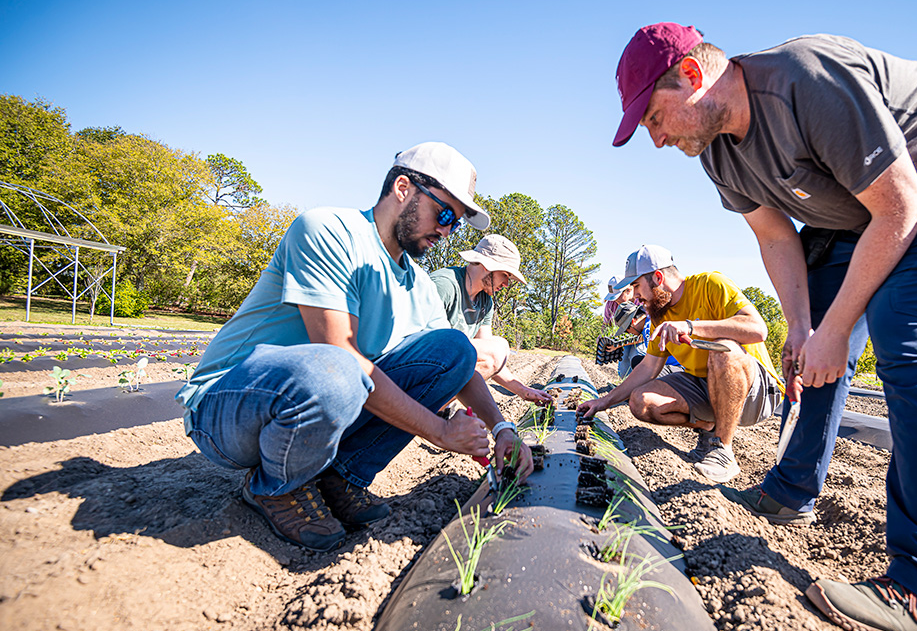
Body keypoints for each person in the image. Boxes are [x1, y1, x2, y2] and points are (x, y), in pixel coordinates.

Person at [613, 23, 917, 631]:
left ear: (692, 78)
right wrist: (806, 328)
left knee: (906, 330)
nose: (656, 136)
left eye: (654, 116)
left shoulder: (806, 81)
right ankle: (792, 487)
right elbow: (778, 238)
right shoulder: (720, 153)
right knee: (810, 350)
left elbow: (900, 207)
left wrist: (835, 329)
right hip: (859, 207)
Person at [177, 142, 527, 552]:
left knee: (454, 348)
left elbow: (460, 366)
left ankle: (339, 476)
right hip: (228, 409)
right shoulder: (327, 230)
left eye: (456, 223)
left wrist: (501, 428)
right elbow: (341, 355)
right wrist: (442, 431)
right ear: (403, 188)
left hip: (322, 392)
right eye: (444, 213)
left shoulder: (416, 281)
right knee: (339, 368)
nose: (447, 230)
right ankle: (276, 487)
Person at [578, 245, 780, 483]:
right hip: (706, 386)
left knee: (723, 349)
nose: (634, 297)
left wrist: (691, 326)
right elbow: (648, 367)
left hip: (754, 393)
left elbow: (758, 329)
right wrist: (604, 402)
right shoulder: (659, 314)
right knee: (641, 401)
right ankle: (708, 426)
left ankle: (723, 449)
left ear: (658, 277)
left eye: (636, 287)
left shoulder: (710, 284)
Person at [430, 235, 552, 406]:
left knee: (495, 348)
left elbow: (490, 361)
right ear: (488, 266)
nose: (506, 284)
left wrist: (523, 391)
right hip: (416, 374)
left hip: (442, 372)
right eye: (505, 275)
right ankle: (423, 410)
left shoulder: (485, 302)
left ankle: (436, 409)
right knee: (498, 346)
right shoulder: (444, 286)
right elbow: (419, 344)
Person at [611, 300, 683, 378]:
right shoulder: (648, 321)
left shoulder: (649, 329)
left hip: (678, 368)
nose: (628, 333)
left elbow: (654, 361)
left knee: (643, 369)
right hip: (670, 365)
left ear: (633, 321)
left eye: (626, 330)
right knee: (638, 362)